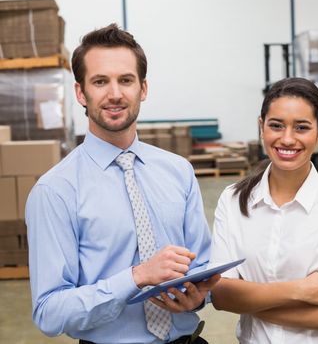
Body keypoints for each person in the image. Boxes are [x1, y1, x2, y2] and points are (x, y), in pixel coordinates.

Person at [26, 24, 219, 344]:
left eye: (125, 80)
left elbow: (203, 266)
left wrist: (199, 298)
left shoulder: (179, 171)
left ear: (143, 88)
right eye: (100, 81)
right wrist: (135, 277)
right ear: (80, 92)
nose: (115, 94)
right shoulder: (55, 191)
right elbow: (49, 311)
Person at [210, 77, 318, 344]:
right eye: (276, 126)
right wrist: (302, 290)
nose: (287, 139)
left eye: (302, 127)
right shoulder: (233, 200)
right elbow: (221, 295)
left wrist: (249, 299)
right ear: (261, 127)